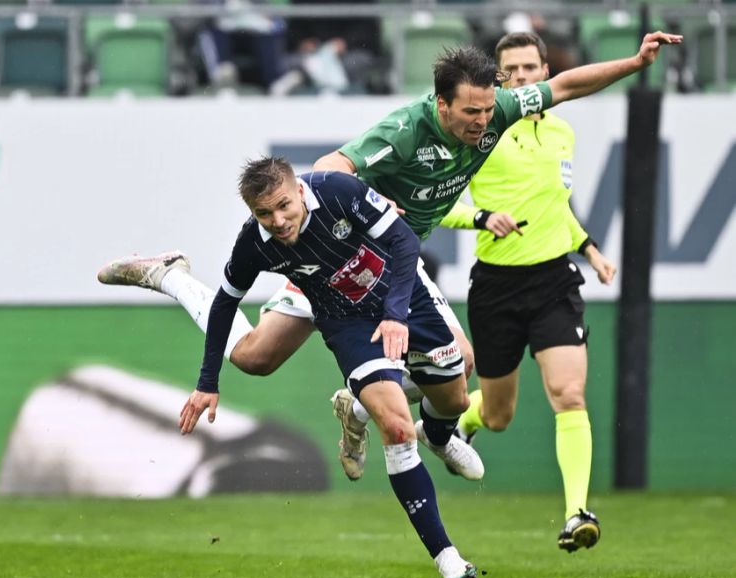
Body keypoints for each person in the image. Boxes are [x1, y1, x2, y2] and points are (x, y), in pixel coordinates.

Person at [97, 31, 680, 485]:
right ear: (441, 103)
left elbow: (567, 87)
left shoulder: (496, 110)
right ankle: (172, 277)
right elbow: (331, 168)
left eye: (489, 110)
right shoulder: (403, 131)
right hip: (341, 259)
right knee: (254, 360)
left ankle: (395, 412)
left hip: (393, 264)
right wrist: (335, 212)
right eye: (471, 113)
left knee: (460, 363)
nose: (485, 123)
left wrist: (634, 64)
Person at [171, 156, 478, 578]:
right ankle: (447, 555)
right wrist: (207, 383)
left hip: (402, 298)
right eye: (263, 213)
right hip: (346, 322)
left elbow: (405, 243)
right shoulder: (255, 244)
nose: (277, 221)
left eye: (283, 206)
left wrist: (394, 314)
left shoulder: (337, 191)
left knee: (456, 397)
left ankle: (435, 432)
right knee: (395, 426)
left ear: (299, 190)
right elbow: (224, 303)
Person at [438, 31, 616, 553]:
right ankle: (462, 423)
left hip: (554, 280)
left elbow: (554, 205)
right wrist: (479, 217)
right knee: (499, 414)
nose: (519, 78)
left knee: (568, 393)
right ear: (497, 80)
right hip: (496, 287)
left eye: (528, 69)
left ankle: (576, 512)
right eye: (508, 72)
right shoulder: (480, 133)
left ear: (545, 72)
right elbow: (430, 204)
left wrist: (590, 249)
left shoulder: (561, 132)